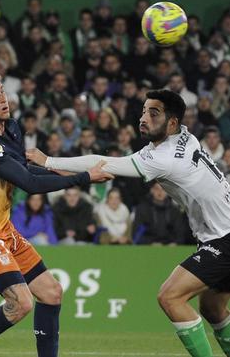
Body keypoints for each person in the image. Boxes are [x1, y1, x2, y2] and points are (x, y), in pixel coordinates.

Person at [27, 89, 230, 357]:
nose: (143, 118)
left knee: (170, 297)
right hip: (219, 235)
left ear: (171, 123)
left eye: (153, 113)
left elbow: (104, 164)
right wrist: (69, 171)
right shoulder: (185, 136)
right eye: (144, 111)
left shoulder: (163, 158)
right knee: (212, 308)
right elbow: (106, 170)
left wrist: (48, 160)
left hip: (223, 240)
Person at [0, 71, 112, 357]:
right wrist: (83, 178)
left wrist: (56, 169)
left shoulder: (11, 128)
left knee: (51, 292)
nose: (3, 99)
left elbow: (23, 170)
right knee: (20, 303)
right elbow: (29, 184)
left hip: (2, 229)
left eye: (2, 92)